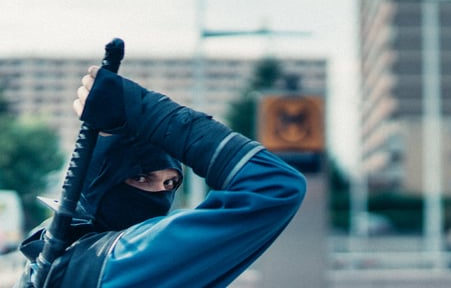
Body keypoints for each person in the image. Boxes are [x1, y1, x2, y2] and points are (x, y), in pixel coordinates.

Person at [15, 65, 306, 287]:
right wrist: (146, 110)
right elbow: (275, 185)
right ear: (97, 179)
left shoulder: (58, 250)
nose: (158, 193)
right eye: (141, 178)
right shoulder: (124, 260)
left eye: (170, 182)